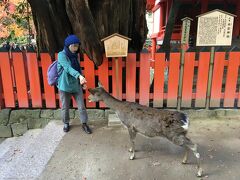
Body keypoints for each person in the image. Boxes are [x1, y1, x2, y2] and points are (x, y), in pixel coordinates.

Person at [57, 34, 92, 134]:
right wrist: (79, 76)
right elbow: (68, 68)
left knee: (81, 106)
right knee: (65, 107)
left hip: (76, 85)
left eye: (77, 46)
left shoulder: (75, 56)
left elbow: (78, 68)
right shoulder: (61, 55)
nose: (76, 48)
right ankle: (66, 123)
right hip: (64, 85)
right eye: (74, 46)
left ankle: (84, 124)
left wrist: (82, 81)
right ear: (68, 45)